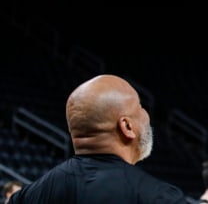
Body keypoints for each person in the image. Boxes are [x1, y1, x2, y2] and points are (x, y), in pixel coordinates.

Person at [8, 74, 189, 204]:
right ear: (127, 126)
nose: (146, 114)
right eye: (140, 107)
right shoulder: (160, 197)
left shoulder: (24, 197)